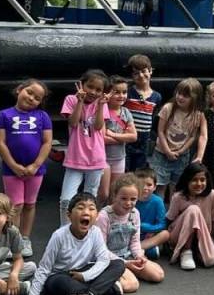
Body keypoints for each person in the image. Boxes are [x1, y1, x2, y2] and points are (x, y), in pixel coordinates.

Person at [17, 192, 126, 295]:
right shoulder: (59, 236)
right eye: (80, 208)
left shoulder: (95, 232)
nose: (86, 212)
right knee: (64, 285)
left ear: (96, 217)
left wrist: (85, 276)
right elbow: (44, 268)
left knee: (118, 264)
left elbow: (103, 259)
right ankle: (105, 289)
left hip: (82, 272)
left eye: (91, 208)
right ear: (69, 215)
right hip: (60, 276)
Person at [0, 78, 52, 256]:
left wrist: (36, 165)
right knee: (15, 205)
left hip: (36, 170)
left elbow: (47, 142)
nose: (32, 98)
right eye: (29, 92)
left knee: (29, 204)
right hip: (11, 169)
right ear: (19, 90)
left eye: (37, 97)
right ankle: (13, 239)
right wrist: (13, 165)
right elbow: (0, 142)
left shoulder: (43, 117)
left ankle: (25, 238)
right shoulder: (4, 115)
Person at [95, 174, 165, 292]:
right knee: (132, 285)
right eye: (124, 198)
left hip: (127, 254)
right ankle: (104, 280)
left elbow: (134, 241)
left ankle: (125, 273)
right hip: (110, 258)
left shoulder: (135, 213)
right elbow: (101, 250)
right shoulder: (104, 216)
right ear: (114, 196)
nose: (128, 203)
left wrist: (139, 256)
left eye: (133, 199)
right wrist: (125, 263)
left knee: (158, 274)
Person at [58, 69, 110, 223]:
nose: (93, 92)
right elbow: (73, 123)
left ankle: (85, 230)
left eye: (98, 90)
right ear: (81, 84)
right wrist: (80, 101)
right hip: (76, 158)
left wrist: (101, 106)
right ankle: (64, 230)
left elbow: (99, 126)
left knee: (89, 200)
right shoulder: (71, 99)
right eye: (90, 87)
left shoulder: (102, 104)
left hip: (96, 159)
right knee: (66, 200)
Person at [151, 78, 207, 199]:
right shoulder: (168, 108)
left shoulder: (197, 115)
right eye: (179, 93)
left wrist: (181, 151)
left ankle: (173, 213)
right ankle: (160, 214)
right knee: (160, 186)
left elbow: (193, 136)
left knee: (176, 187)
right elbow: (160, 131)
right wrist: (167, 150)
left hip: (181, 156)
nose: (180, 97)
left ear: (194, 98)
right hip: (162, 153)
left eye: (185, 96)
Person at [165, 161, 214, 270]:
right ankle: (186, 250)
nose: (199, 184)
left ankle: (197, 250)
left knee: (210, 260)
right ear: (187, 181)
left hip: (202, 234)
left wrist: (210, 241)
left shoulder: (213, 195)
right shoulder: (178, 197)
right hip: (179, 235)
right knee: (193, 209)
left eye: (202, 180)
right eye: (194, 180)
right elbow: (169, 220)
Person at [101, 75, 137, 203]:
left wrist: (113, 134)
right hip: (103, 158)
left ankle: (111, 221)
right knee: (103, 193)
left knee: (114, 193)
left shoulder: (126, 112)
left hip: (119, 157)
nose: (121, 95)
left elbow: (133, 136)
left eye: (124, 92)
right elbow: (102, 138)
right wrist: (123, 137)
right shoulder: (102, 110)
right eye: (116, 92)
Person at [124, 54, 162, 171]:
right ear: (132, 76)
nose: (141, 75)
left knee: (140, 170)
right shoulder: (128, 93)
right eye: (136, 73)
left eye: (144, 71)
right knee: (125, 168)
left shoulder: (156, 96)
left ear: (150, 71)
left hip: (144, 139)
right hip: (127, 138)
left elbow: (153, 116)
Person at [134, 167, 170, 258]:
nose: (145, 188)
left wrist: (146, 227)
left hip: (148, 236)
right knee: (151, 253)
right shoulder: (132, 199)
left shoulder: (158, 201)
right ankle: (138, 250)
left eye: (149, 185)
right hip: (132, 235)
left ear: (155, 187)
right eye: (141, 184)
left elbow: (162, 225)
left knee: (165, 234)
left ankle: (136, 249)